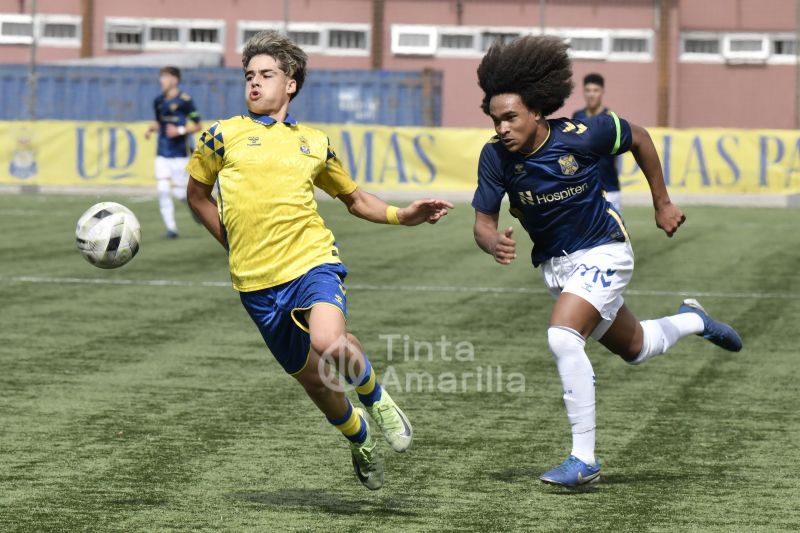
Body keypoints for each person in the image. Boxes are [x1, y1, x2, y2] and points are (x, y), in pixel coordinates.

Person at [186, 31, 453, 490]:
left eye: (266, 75)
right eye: (249, 76)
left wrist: (404, 215)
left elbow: (355, 199)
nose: (255, 83)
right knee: (316, 381)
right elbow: (197, 196)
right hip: (255, 283)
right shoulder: (221, 135)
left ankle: (377, 399)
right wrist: (231, 242)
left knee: (329, 340)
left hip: (312, 261)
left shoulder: (313, 142)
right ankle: (359, 437)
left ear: (291, 84)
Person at [471, 36, 742, 488]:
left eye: (510, 118)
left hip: (605, 250)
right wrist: (491, 242)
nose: (501, 128)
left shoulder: (582, 134)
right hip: (557, 269)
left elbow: (639, 137)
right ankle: (695, 320)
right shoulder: (495, 157)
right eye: (495, 120)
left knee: (562, 337)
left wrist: (662, 202)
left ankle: (584, 459)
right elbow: (482, 223)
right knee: (637, 348)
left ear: (537, 111)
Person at [145, 66, 203, 239]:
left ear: (174, 80)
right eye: (161, 77)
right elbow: (160, 122)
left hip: (179, 155)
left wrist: (179, 130)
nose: (161, 80)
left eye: (165, 77)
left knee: (181, 193)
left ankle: (197, 210)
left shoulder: (185, 100)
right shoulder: (158, 101)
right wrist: (151, 128)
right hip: (162, 153)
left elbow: (198, 125)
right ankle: (171, 229)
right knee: (163, 189)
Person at [572, 73, 622, 212]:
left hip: (609, 188)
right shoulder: (577, 117)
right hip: (584, 189)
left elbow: (617, 151)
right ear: (583, 92)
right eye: (588, 90)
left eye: (595, 90)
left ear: (602, 92)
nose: (591, 95)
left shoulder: (610, 118)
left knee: (613, 226)